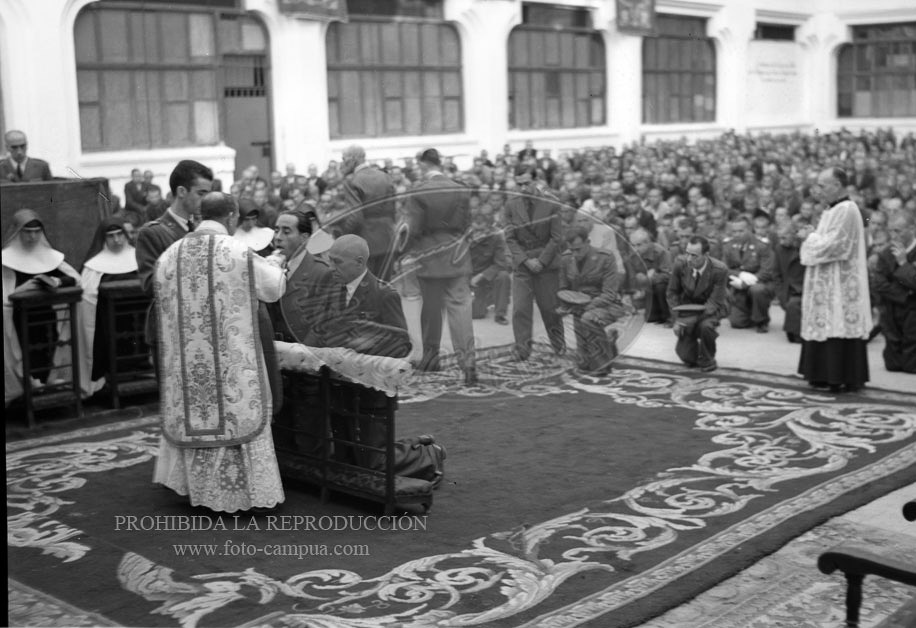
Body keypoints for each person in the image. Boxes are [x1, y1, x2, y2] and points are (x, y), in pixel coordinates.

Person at [153, 192, 286, 512]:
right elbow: (272, 288)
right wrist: (275, 263)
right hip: (231, 364)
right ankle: (244, 494)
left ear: (200, 215)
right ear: (231, 216)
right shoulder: (237, 251)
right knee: (235, 414)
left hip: (189, 366)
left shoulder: (169, 255)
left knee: (197, 416)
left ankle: (197, 490)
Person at [402, 148, 477, 385]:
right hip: (457, 254)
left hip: (430, 257)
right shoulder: (460, 189)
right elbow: (467, 224)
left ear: (424, 165)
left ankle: (431, 360)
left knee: (431, 312)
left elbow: (414, 228)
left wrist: (406, 251)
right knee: (461, 310)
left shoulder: (419, 191)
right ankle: (468, 364)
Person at [135, 160, 214, 378]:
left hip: (200, 329)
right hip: (170, 328)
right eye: (201, 193)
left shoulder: (202, 230)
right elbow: (150, 285)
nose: (206, 200)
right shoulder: (153, 232)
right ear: (181, 191)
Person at [798, 167, 872, 392]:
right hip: (827, 279)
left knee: (837, 322)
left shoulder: (846, 209)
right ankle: (820, 375)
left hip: (840, 281)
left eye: (822, 185)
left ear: (837, 185)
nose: (818, 190)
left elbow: (836, 246)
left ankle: (837, 376)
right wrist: (815, 235)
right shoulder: (832, 209)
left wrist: (809, 237)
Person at [3, 209, 80, 405]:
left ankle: (44, 382)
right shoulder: (6, 259)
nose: (33, 236)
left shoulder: (49, 256)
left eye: (37, 232)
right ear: (17, 233)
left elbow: (73, 278)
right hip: (17, 318)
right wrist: (22, 289)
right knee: (25, 352)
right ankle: (27, 386)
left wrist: (57, 281)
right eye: (27, 232)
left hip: (45, 314)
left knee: (47, 348)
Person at [504, 162, 566, 360]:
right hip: (523, 265)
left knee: (550, 309)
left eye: (527, 183)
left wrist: (541, 261)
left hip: (546, 265)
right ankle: (522, 350)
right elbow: (510, 238)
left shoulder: (551, 203)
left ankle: (559, 346)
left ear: (536, 180)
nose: (523, 188)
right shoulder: (511, 205)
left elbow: (557, 238)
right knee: (520, 308)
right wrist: (525, 260)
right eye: (519, 184)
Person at [76, 217, 141, 397]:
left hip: (136, 317)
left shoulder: (138, 256)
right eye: (111, 236)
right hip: (108, 321)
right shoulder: (94, 265)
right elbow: (87, 295)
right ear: (103, 239)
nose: (117, 240)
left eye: (120, 234)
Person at [558, 226, 623, 376]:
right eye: (572, 250)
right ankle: (609, 343)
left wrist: (586, 307)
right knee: (584, 364)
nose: (575, 254)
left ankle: (604, 363)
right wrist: (564, 307)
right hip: (580, 306)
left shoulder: (605, 258)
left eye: (578, 249)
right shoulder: (566, 259)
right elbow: (564, 289)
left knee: (588, 318)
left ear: (588, 242)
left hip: (607, 305)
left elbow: (609, 294)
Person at [666, 235, 729, 372]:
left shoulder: (720, 269)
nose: (689, 259)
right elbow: (672, 293)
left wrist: (689, 321)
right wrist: (678, 319)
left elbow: (714, 302)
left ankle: (708, 358)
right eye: (687, 253)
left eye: (694, 255)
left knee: (705, 327)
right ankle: (693, 348)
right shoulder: (680, 264)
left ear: (706, 255)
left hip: (711, 308)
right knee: (687, 358)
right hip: (687, 308)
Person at [271, 208, 333, 344]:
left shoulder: (322, 273)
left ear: (304, 238)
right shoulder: (269, 267)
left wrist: (301, 353)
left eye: (286, 232)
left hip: (303, 352)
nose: (278, 237)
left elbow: (321, 326)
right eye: (276, 230)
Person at [336, 145, 397, 280]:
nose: (342, 162)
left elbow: (355, 217)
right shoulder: (385, 176)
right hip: (387, 238)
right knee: (384, 284)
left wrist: (344, 236)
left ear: (353, 159)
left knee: (364, 287)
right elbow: (393, 209)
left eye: (344, 159)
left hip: (364, 241)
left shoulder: (352, 180)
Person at [872, 210, 916, 373]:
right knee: (893, 365)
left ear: (912, 229)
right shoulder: (885, 253)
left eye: (898, 231)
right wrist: (905, 294)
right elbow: (879, 284)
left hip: (913, 311)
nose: (893, 236)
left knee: (911, 367)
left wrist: (903, 264)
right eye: (891, 231)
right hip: (893, 308)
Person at [722, 215, 775, 332]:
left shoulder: (762, 245)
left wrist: (745, 283)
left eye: (741, 231)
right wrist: (739, 275)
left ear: (749, 229)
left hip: (759, 283)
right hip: (737, 285)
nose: (737, 234)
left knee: (757, 290)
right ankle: (751, 312)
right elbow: (723, 269)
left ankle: (761, 321)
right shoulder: (728, 246)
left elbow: (767, 272)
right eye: (734, 231)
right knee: (737, 323)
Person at [761, 223, 805, 343]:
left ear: (794, 235)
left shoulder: (805, 247)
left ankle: (796, 333)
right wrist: (780, 293)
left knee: (794, 304)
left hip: (802, 288)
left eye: (784, 237)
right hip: (786, 289)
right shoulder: (779, 249)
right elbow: (776, 274)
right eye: (779, 238)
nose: (781, 241)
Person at [468, 212, 510, 324]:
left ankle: (500, 314)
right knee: (476, 314)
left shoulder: (496, 238)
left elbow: (501, 264)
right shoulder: (464, 239)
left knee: (503, 276)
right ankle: (487, 300)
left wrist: (480, 276)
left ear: (489, 228)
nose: (478, 234)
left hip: (487, 277)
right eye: (475, 230)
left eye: (482, 230)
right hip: (469, 278)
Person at [629, 227, 673, 324]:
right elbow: (631, 278)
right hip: (644, 290)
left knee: (661, 286)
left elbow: (669, 276)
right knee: (650, 319)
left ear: (648, 243)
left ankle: (667, 315)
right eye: (633, 245)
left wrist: (650, 278)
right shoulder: (632, 255)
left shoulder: (660, 252)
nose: (635, 249)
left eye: (639, 245)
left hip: (661, 288)